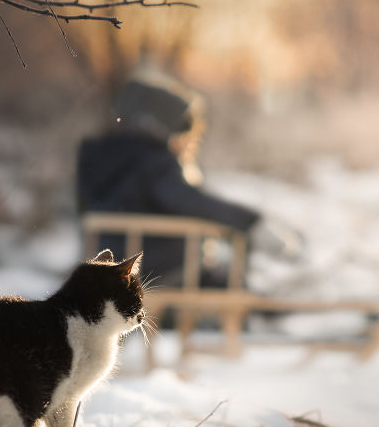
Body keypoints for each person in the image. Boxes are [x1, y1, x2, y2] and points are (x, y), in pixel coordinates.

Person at [76, 74, 301, 288]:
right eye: (186, 136)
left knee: (225, 281)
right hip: (157, 271)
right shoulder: (153, 163)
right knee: (233, 289)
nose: (188, 145)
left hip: (109, 267)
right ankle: (251, 315)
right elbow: (190, 201)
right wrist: (251, 223)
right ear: (165, 130)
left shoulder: (101, 159)